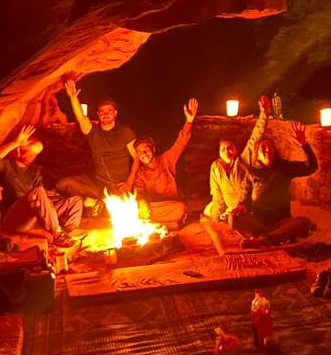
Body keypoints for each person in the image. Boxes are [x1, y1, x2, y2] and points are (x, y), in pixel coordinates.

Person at [0, 125, 82, 248]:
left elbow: (41, 197)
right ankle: (57, 234)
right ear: (19, 151)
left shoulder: (35, 170)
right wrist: (16, 142)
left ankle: (68, 232)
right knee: (37, 192)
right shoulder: (6, 166)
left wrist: (51, 198)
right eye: (31, 154)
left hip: (34, 216)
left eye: (35, 155)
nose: (33, 157)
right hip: (14, 218)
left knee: (74, 200)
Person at [201, 95, 269, 254]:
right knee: (209, 210)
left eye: (230, 147)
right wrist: (216, 219)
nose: (227, 151)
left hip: (243, 208)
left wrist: (264, 114)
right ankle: (225, 217)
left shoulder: (243, 161)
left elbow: (255, 137)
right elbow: (216, 194)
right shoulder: (216, 167)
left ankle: (255, 237)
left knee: (235, 219)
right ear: (219, 153)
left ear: (236, 150)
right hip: (226, 205)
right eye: (223, 149)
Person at [237, 121, 318, 244]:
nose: (268, 150)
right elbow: (245, 194)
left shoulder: (284, 167)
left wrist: (304, 145)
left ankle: (265, 239)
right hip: (258, 219)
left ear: (275, 151)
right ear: (257, 154)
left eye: (270, 147)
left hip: (282, 219)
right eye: (263, 148)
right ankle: (275, 236)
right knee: (234, 218)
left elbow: (312, 167)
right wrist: (241, 205)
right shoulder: (252, 171)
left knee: (303, 222)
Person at [124, 97, 198, 228]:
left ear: (153, 149)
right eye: (140, 152)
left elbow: (181, 142)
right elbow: (138, 193)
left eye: (146, 150)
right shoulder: (141, 174)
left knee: (180, 208)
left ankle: (163, 223)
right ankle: (171, 224)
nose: (143, 154)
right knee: (134, 209)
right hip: (154, 208)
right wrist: (140, 201)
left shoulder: (166, 159)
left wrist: (189, 121)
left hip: (171, 206)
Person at [59, 79, 137, 198]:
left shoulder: (125, 132)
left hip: (119, 186)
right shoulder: (93, 131)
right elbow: (81, 118)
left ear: (115, 113)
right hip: (97, 184)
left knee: (119, 206)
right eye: (102, 112)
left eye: (109, 111)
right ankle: (90, 201)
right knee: (63, 184)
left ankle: (94, 203)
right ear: (98, 114)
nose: (105, 114)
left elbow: (137, 159)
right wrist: (73, 98)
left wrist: (129, 182)